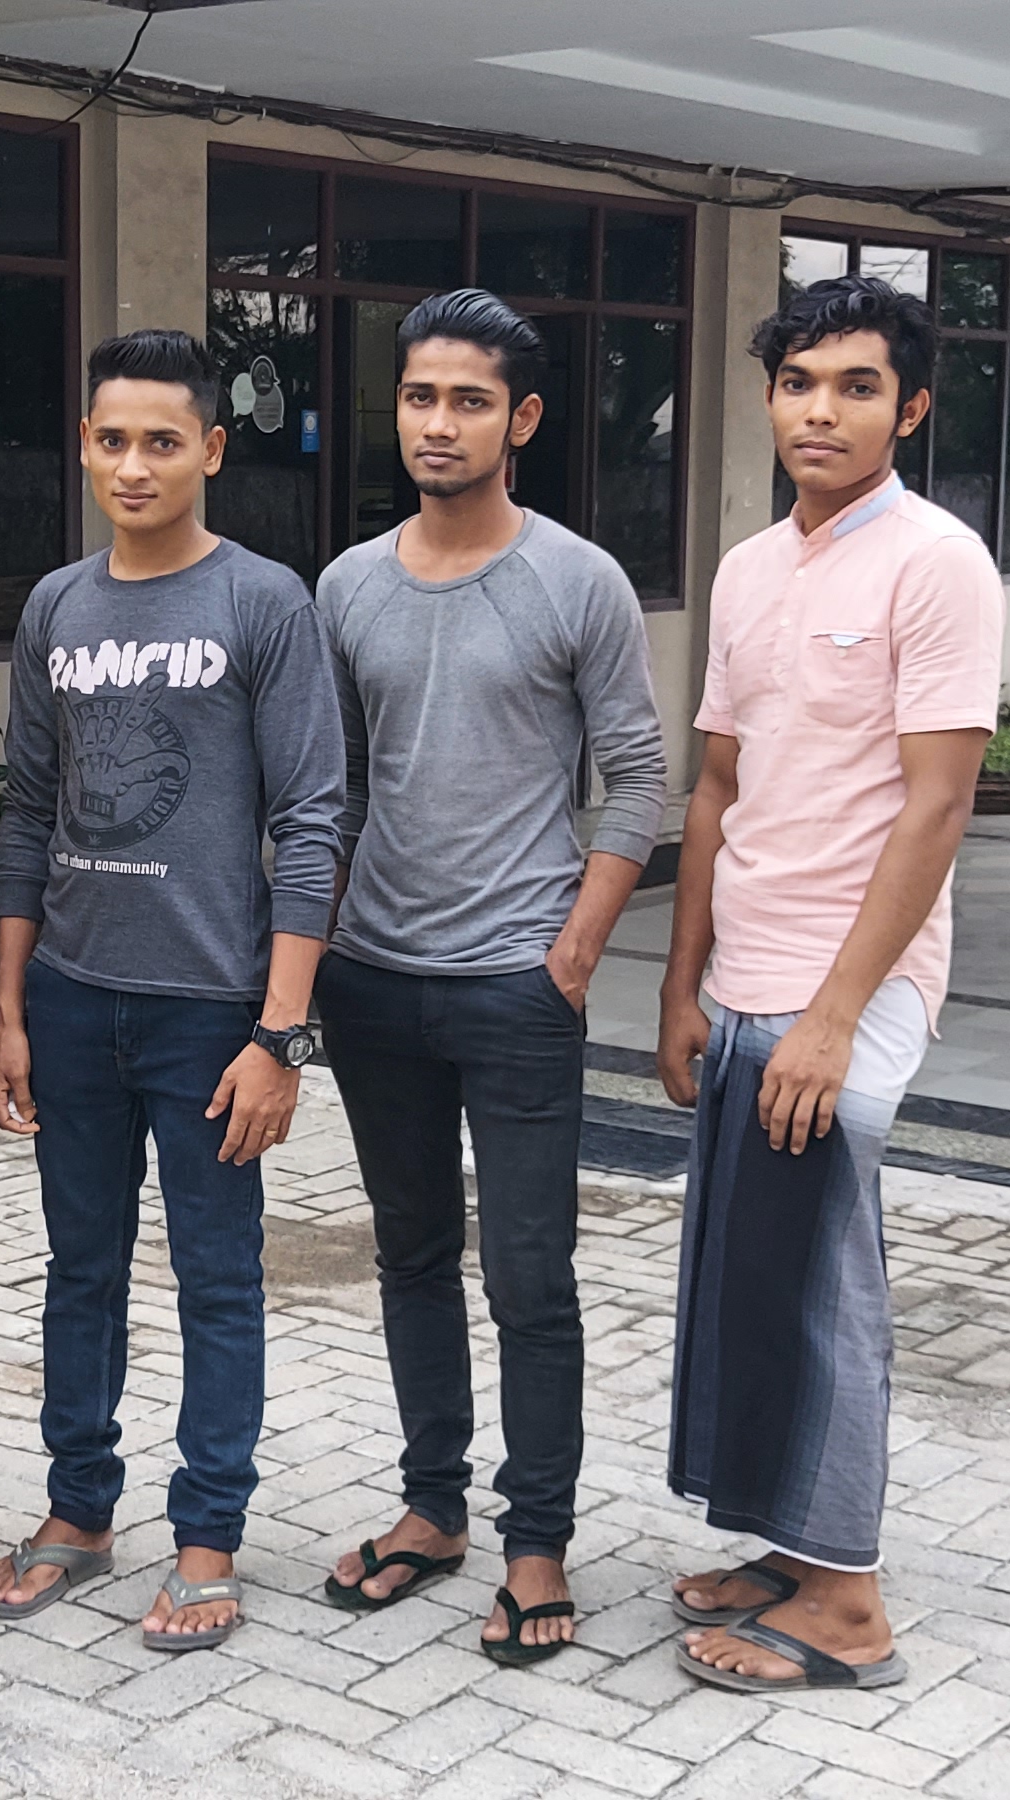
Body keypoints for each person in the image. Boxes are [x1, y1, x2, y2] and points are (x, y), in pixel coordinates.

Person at [0, 330, 345, 1651]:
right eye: (113, 440)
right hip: (73, 998)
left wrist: (280, 1036)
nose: (135, 466)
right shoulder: (59, 606)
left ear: (211, 451)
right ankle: (79, 1510)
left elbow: (312, 821)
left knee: (215, 1276)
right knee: (79, 1269)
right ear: (85, 446)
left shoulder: (263, 602)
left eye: (163, 442)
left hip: (208, 1013)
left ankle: (207, 1538)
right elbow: (28, 816)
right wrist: (12, 1008)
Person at [312, 289, 667, 1665]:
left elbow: (639, 777)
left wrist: (574, 949)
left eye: (470, 401)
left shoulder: (577, 580)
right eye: (420, 397)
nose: (440, 424)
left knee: (530, 1276)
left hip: (518, 986)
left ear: (522, 421)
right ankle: (433, 1509)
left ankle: (538, 1544)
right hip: (373, 983)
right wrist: (317, 954)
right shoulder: (349, 586)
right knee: (409, 1256)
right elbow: (335, 793)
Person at [656, 275, 999, 1695]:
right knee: (749, 1276)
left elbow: (937, 805)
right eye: (800, 381)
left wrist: (837, 1017)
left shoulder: (937, 562)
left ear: (908, 410)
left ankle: (848, 1605)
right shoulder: (748, 569)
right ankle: (792, 1546)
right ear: (769, 398)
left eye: (859, 385)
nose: (823, 409)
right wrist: (679, 986)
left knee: (821, 1290)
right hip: (746, 975)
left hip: (845, 990)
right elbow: (717, 787)